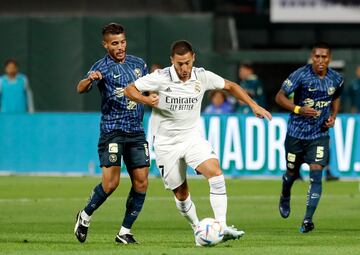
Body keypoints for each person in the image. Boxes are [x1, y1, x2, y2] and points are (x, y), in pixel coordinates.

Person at [124, 40, 272, 245]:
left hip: (192, 138)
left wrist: (253, 105)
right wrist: (146, 100)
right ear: (172, 61)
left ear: (193, 57)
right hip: (167, 145)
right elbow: (129, 89)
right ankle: (198, 229)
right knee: (182, 194)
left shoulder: (202, 76)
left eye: (187, 63)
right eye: (179, 64)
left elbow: (231, 86)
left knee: (216, 172)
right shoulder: (160, 78)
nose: (184, 68)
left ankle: (221, 226)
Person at [74, 23, 150, 245]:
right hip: (112, 131)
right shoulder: (101, 67)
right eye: (115, 43)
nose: (120, 47)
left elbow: (147, 89)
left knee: (142, 182)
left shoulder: (139, 64)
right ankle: (85, 215)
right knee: (110, 184)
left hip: (136, 131)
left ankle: (124, 232)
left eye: (123, 42)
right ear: (105, 44)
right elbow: (80, 88)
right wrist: (90, 79)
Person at [275, 42, 343, 233]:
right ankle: (285, 194)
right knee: (291, 174)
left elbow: (337, 96)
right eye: (317, 57)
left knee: (316, 175)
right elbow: (279, 97)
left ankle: (307, 220)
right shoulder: (301, 75)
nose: (320, 61)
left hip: (319, 135)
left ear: (329, 58)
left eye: (324, 57)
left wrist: (333, 116)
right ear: (312, 57)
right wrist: (298, 109)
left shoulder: (336, 79)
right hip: (296, 134)